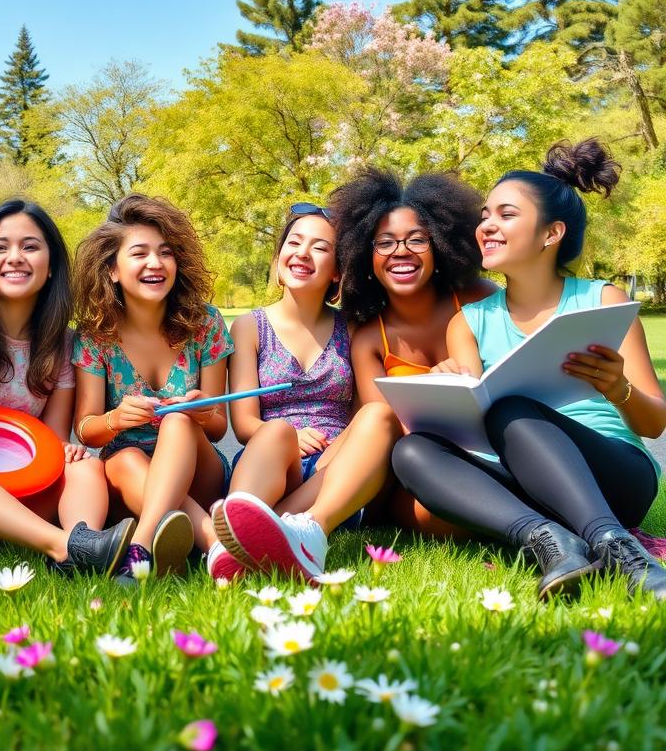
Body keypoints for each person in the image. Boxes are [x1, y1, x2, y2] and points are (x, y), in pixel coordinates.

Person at [392, 140, 666, 599]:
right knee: (411, 452)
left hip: (615, 479)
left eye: (505, 215)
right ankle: (547, 539)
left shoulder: (601, 299)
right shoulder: (470, 322)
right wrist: (452, 390)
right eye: (485, 215)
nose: (486, 226)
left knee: (514, 409)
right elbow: (473, 431)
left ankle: (616, 545)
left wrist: (618, 388)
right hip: (523, 485)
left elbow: (655, 421)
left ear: (550, 234)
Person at [0, 199, 133, 574]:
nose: (15, 257)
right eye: (0, 247)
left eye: (30, 246)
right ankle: (67, 548)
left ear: (51, 266)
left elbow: (50, 445)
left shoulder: (63, 343)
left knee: (84, 467)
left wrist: (68, 452)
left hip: (25, 492)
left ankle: (80, 549)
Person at [210, 204, 402, 583]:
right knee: (275, 430)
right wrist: (290, 435)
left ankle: (295, 532)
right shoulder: (250, 327)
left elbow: (365, 413)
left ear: (337, 270)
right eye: (294, 242)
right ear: (279, 257)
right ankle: (243, 533)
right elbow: (246, 422)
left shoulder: (353, 326)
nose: (302, 253)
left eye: (319, 247)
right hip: (273, 463)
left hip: (334, 466)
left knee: (380, 414)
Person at [72, 194, 233, 579]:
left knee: (177, 419)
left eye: (165, 253)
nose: (155, 264)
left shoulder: (205, 323)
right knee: (124, 458)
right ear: (111, 270)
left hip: (197, 469)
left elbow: (220, 426)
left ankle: (141, 546)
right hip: (129, 475)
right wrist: (114, 419)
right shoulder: (96, 336)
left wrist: (204, 411)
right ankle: (212, 542)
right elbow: (85, 430)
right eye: (139, 253)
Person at [331, 170, 497, 535]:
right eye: (384, 242)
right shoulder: (370, 340)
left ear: (440, 247)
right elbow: (386, 430)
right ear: (365, 258)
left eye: (417, 240)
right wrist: (435, 394)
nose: (401, 251)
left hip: (495, 452)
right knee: (430, 513)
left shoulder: (480, 299)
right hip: (421, 469)